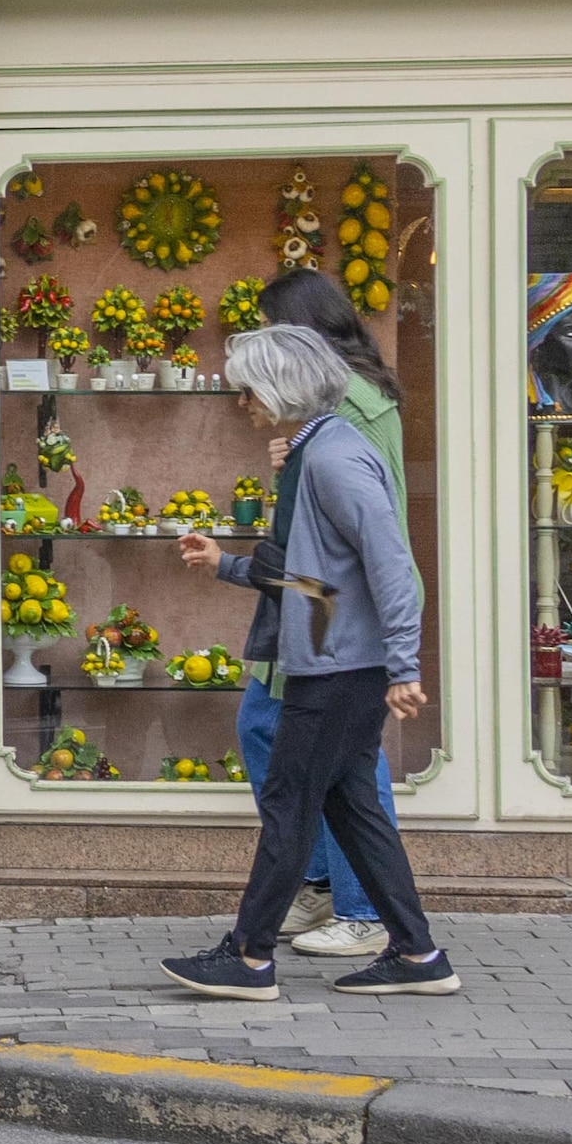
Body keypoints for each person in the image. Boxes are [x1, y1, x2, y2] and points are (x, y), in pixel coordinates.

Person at [165, 324, 454, 1000]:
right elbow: (318, 579)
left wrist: (406, 665)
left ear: (280, 386)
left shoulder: (331, 458)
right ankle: (417, 953)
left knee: (290, 806)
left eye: (247, 388)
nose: (242, 401)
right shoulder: (317, 451)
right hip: (338, 663)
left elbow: (388, 561)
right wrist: (227, 566)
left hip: (338, 669)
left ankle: (249, 955)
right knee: (353, 810)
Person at [244, 266, 405, 960]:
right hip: (316, 592)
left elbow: (370, 516)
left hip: (335, 597)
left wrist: (403, 658)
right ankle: (317, 882)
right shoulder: (339, 399)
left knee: (350, 761)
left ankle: (363, 908)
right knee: (263, 724)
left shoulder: (350, 401)